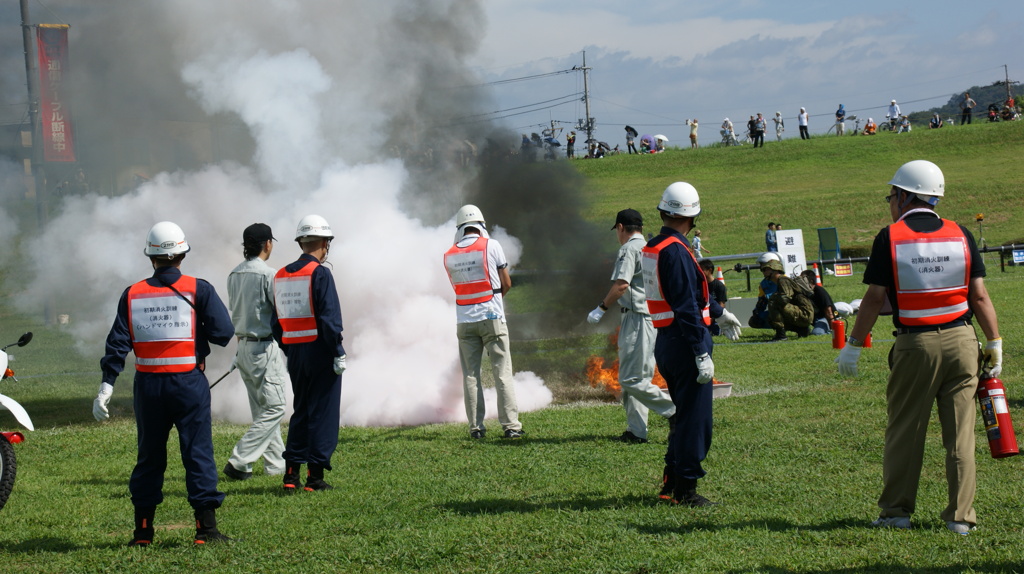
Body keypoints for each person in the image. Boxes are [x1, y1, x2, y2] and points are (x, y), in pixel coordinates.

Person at [835, 160, 1002, 535]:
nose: (890, 202)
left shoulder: (889, 236)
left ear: (907, 196)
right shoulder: (961, 234)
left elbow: (876, 299)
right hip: (963, 339)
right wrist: (995, 341)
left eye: (892, 195)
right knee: (960, 434)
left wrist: (854, 345)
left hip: (916, 343)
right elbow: (978, 296)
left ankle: (896, 512)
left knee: (905, 430)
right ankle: (961, 519)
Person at [93, 221, 235, 546]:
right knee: (197, 453)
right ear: (182, 253)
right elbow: (224, 334)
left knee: (149, 457)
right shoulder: (199, 289)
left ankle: (142, 533)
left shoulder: (132, 293)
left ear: (150, 257)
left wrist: (107, 385)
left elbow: (117, 343)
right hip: (188, 384)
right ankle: (206, 530)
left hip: (148, 387)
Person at [642, 182, 726, 507]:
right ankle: (685, 490)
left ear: (664, 211)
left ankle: (671, 481)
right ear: (692, 217)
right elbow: (685, 305)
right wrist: (701, 351)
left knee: (682, 416)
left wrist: (719, 312)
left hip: (666, 339)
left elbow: (687, 296)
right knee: (695, 418)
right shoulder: (677, 250)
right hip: (685, 341)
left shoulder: (656, 246)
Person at [587, 209, 676, 444]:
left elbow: (621, 285)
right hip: (649, 317)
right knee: (637, 378)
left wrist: (601, 308)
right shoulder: (650, 248)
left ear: (620, 227)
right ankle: (637, 431)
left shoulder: (628, 249)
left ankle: (676, 413)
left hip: (637, 317)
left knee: (631, 380)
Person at [272, 215, 347, 492]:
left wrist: (290, 347)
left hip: (295, 354)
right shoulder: (320, 273)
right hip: (320, 351)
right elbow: (329, 319)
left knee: (301, 410)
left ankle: (291, 474)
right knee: (323, 412)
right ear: (325, 244)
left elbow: (275, 323)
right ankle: (315, 477)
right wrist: (337, 350)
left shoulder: (280, 274)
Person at [444, 205, 524, 440]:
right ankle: (511, 426)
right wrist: (495, 304)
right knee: (502, 373)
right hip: (491, 318)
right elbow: (506, 282)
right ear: (481, 225)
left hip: (464, 322)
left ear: (460, 228)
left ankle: (476, 428)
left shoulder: (448, 255)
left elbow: (458, 288)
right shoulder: (492, 245)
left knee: (470, 375)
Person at [223, 223, 286, 482]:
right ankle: (240, 460)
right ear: (267, 244)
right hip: (263, 346)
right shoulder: (269, 275)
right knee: (276, 408)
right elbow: (280, 314)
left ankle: (276, 466)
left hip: (242, 349)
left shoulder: (233, 275)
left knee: (263, 411)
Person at [760, 258, 814, 340]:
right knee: (770, 315)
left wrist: (773, 297)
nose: (764, 272)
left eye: (766, 270)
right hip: (802, 313)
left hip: (804, 314)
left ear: (775, 269)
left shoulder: (783, 280)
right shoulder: (780, 281)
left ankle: (781, 335)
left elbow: (785, 298)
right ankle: (801, 330)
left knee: (773, 303)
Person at [748, 252, 781, 330]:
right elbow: (761, 302)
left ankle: (797, 328)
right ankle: (779, 328)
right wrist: (757, 311)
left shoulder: (786, 280)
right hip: (774, 311)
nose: (762, 271)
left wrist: (770, 296)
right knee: (755, 320)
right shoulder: (763, 284)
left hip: (788, 310)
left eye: (764, 269)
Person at [800, 269, 837, 335]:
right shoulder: (802, 292)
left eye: (803, 279)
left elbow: (829, 312)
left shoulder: (820, 291)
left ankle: (827, 329)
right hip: (811, 318)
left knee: (817, 333)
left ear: (811, 281)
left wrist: (833, 330)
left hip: (823, 318)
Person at [699, 259, 730, 337]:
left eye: (701, 270)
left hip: (714, 318)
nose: (698, 273)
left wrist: (712, 318)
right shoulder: (699, 285)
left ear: (709, 270)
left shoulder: (719, 286)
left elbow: (721, 304)